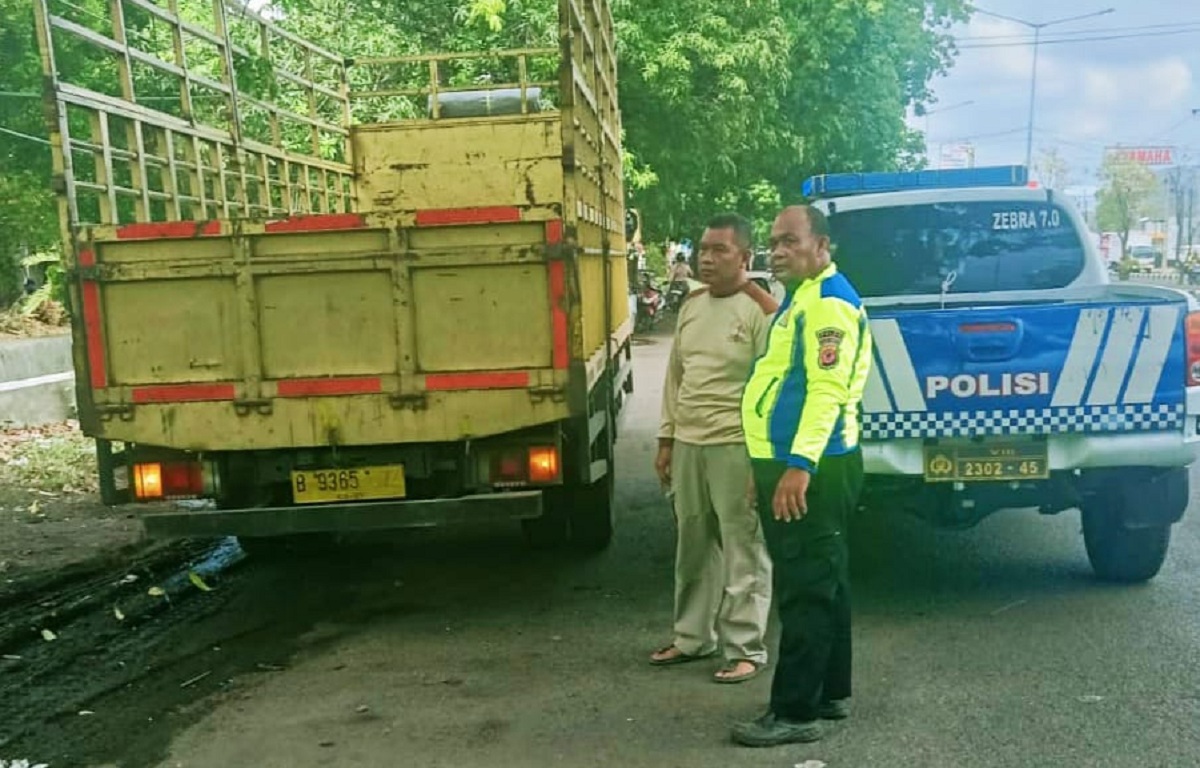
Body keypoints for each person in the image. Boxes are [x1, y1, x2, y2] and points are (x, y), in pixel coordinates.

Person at [731, 205, 873, 747]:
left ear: (822, 245)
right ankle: (830, 692)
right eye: (774, 241)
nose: (779, 250)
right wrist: (763, 467)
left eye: (790, 240)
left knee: (805, 588)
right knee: (827, 579)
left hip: (814, 465)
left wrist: (798, 466)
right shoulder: (803, 299)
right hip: (791, 462)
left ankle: (794, 711)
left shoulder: (829, 307)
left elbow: (827, 393)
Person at [651, 212, 778, 684]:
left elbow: (772, 390)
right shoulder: (691, 305)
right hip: (689, 442)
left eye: (719, 250)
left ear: (745, 256)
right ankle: (692, 638)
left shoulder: (762, 311)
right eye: (703, 250)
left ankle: (746, 647)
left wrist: (760, 461)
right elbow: (675, 378)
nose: (707, 259)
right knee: (692, 543)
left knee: (744, 546)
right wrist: (666, 440)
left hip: (736, 444)